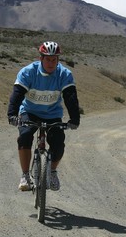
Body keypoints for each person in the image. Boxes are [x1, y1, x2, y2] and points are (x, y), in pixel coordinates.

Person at [7, 41, 80, 192]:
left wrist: (74, 119)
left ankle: (52, 172)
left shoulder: (64, 74)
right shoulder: (28, 72)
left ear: (58, 60)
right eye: (48, 59)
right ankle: (25, 175)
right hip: (29, 112)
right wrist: (12, 114)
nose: (51, 63)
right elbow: (17, 94)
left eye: (54, 59)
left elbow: (70, 97)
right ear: (41, 58)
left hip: (52, 114)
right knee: (25, 136)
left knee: (58, 142)